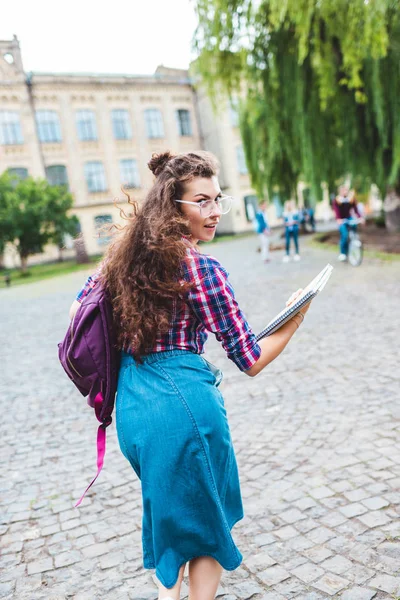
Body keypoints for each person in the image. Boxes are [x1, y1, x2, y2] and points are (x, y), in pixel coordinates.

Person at [69, 151, 311, 600]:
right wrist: (296, 318)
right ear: (172, 205)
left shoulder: (119, 263)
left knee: (174, 517)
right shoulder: (200, 269)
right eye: (202, 200)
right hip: (184, 408)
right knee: (207, 525)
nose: (215, 211)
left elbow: (76, 313)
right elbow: (251, 358)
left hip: (134, 413)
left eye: (219, 198)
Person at [332, 186, 362, 261]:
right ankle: (342, 253)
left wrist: (360, 217)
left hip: (348, 217)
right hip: (341, 219)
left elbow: (356, 209)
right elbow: (336, 211)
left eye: (346, 190)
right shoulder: (337, 200)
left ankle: (354, 238)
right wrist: (338, 219)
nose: (345, 192)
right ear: (340, 192)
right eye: (343, 191)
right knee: (344, 235)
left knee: (354, 223)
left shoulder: (350, 199)